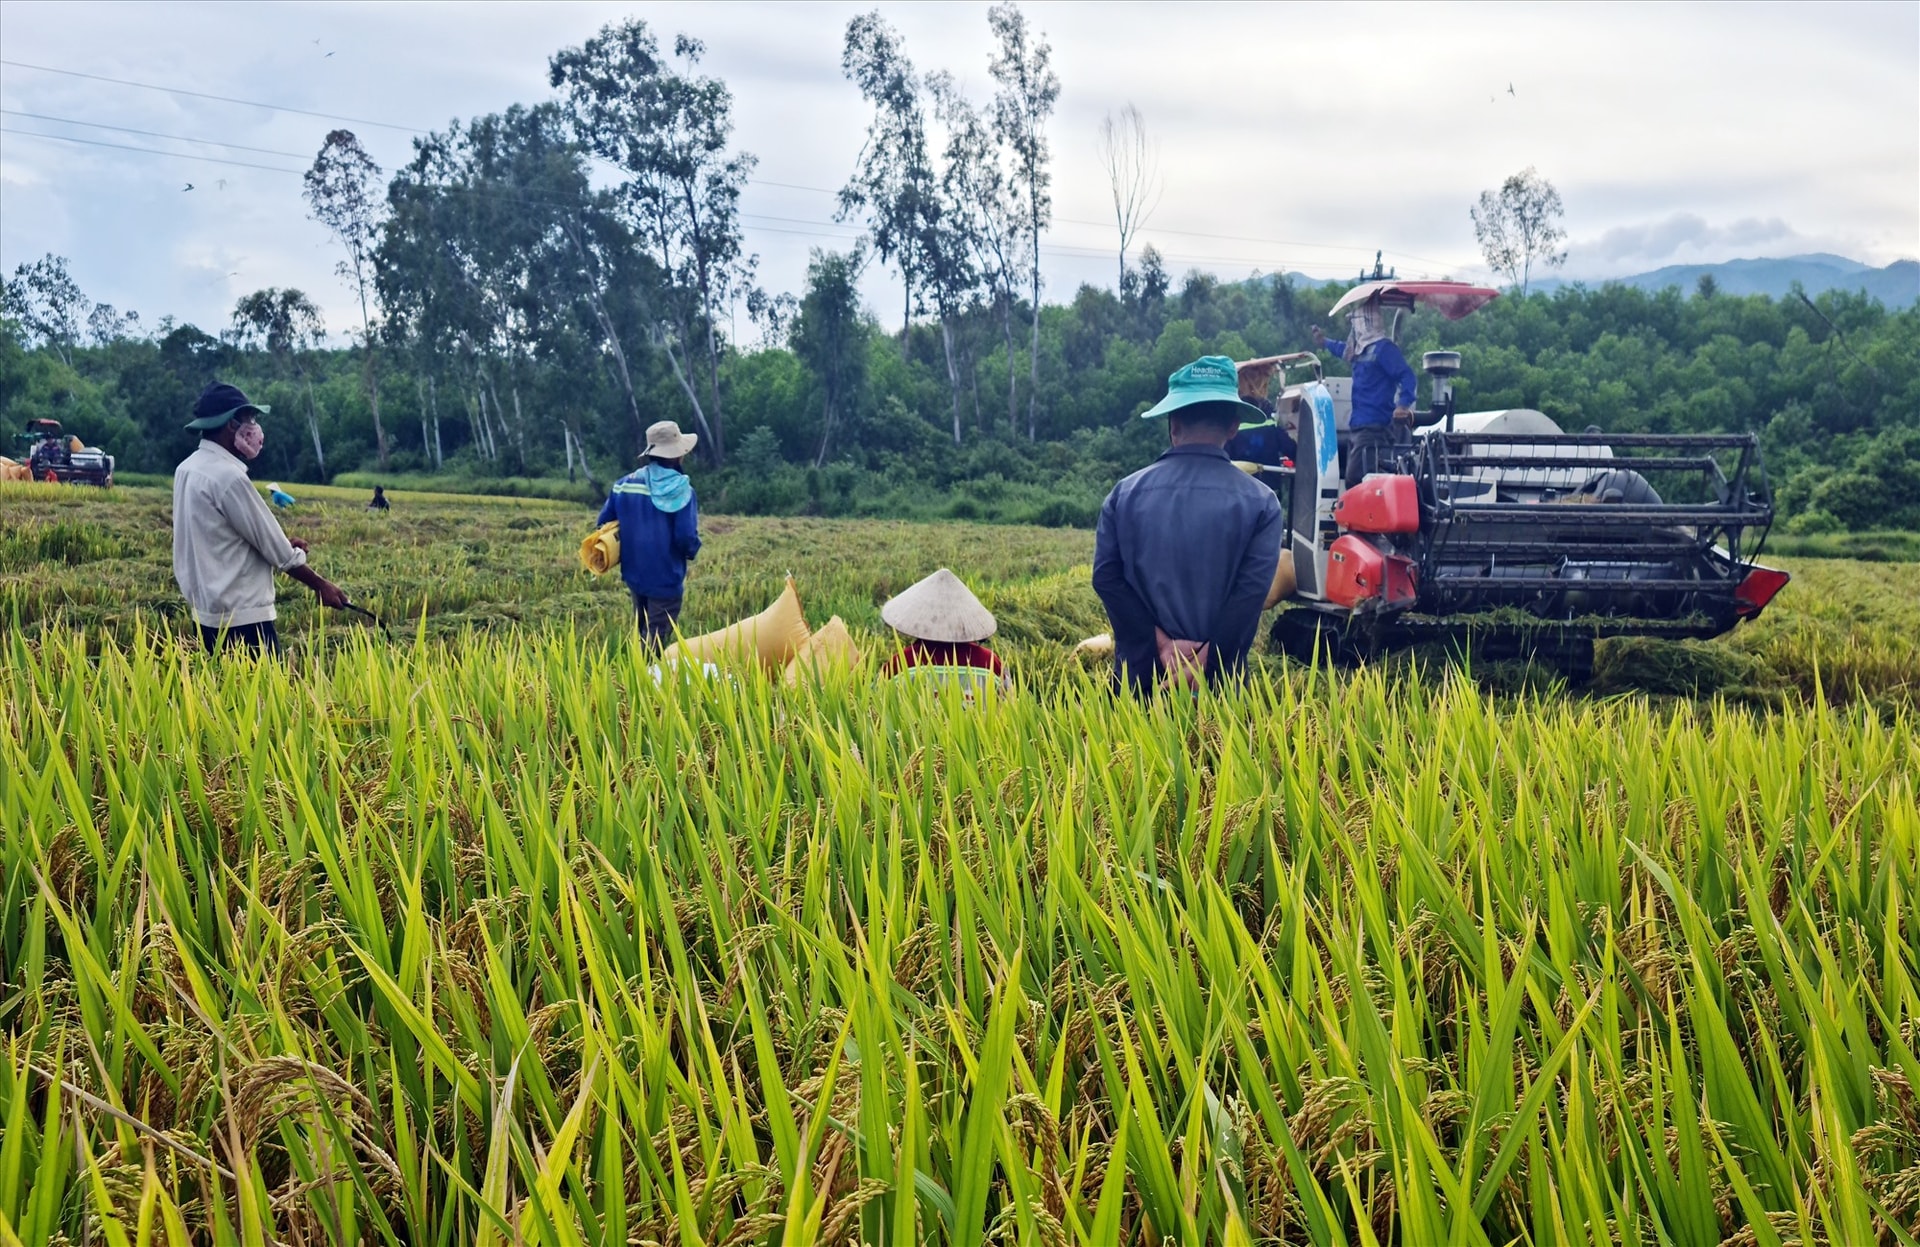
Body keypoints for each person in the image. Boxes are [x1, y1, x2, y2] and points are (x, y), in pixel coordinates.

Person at [1093, 355, 1283, 694]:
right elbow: (1249, 595)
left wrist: (1161, 646)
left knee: (1129, 749)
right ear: (1233, 426)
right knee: (1221, 749)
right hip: (1219, 691)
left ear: (1173, 424)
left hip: (1141, 686)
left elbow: (1106, 578)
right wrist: (1204, 660)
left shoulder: (1124, 495)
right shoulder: (1262, 503)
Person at [173, 382, 347, 654]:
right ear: (231, 425)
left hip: (206, 614)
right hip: (243, 620)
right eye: (249, 419)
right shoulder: (228, 477)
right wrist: (321, 585)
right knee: (267, 695)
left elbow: (216, 536)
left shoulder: (187, 468)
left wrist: (280, 542)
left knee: (227, 693)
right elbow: (280, 554)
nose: (254, 427)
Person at [597, 420, 702, 646]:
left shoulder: (624, 485)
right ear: (677, 455)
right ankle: (646, 677)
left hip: (635, 574)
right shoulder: (681, 490)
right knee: (656, 638)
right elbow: (685, 537)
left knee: (642, 628)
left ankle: (634, 672)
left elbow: (604, 524)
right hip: (665, 577)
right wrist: (692, 551)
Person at [1312, 296, 1418, 487]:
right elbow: (1342, 349)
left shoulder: (1385, 349)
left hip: (1374, 428)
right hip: (1360, 426)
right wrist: (1325, 342)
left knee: (1356, 479)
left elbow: (1407, 376)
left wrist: (1403, 405)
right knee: (1357, 478)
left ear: (1364, 323)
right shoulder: (1359, 351)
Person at [879, 568, 1011, 698]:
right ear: (965, 620)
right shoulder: (989, 662)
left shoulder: (902, 662)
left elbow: (875, 704)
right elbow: (1009, 706)